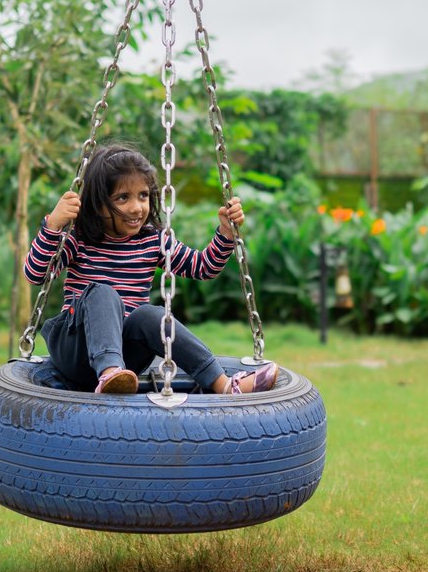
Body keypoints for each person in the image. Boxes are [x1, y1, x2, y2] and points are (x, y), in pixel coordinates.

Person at [25, 143, 280, 395]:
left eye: (143, 196)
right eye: (123, 198)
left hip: (128, 359)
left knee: (152, 315)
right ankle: (108, 371)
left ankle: (223, 385)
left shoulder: (152, 240)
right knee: (103, 293)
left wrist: (226, 232)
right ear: (98, 202)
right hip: (75, 349)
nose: (137, 208)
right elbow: (35, 274)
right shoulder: (79, 238)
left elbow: (203, 268)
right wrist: (53, 226)